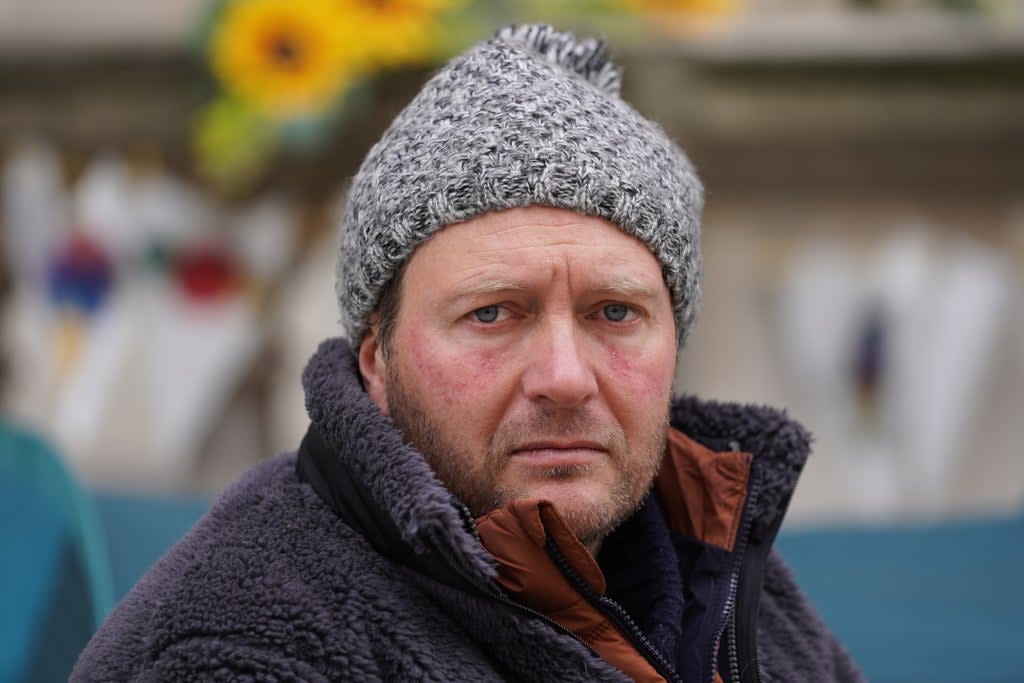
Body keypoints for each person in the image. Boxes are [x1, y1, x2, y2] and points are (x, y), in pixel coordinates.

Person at [74, 24, 863, 683]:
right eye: (493, 313)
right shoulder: (241, 640)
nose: (564, 377)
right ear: (377, 362)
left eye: (615, 312)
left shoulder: (723, 577)